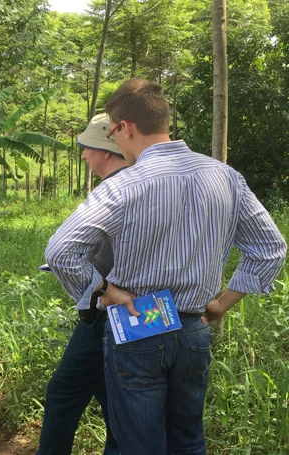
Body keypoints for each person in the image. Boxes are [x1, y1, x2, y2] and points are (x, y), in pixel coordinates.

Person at [45, 79, 286, 455]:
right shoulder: (225, 177)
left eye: (112, 131)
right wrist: (221, 304)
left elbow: (61, 251)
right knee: (188, 440)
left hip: (140, 320)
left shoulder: (124, 185)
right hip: (193, 327)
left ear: (124, 127)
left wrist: (106, 292)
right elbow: (270, 248)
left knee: (139, 445)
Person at [37, 114, 124, 455]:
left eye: (87, 148)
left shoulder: (114, 191)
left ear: (105, 149)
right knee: (116, 400)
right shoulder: (150, 185)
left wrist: (98, 291)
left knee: (64, 393)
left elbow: (62, 252)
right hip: (148, 311)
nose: (84, 156)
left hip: (106, 312)